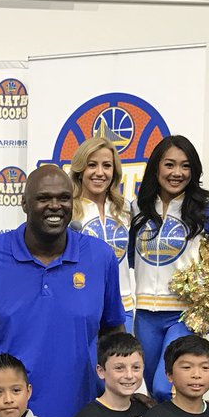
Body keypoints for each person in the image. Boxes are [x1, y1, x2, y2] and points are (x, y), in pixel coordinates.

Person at [0, 164, 125, 417]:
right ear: (24, 203)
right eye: (44, 198)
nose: (55, 206)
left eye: (63, 198)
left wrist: (126, 392)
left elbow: (114, 335)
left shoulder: (100, 257)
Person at [130, 135, 209, 401]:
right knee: (149, 389)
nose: (177, 173)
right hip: (145, 313)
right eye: (169, 165)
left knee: (165, 386)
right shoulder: (137, 208)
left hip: (183, 314)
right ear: (156, 167)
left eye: (185, 166)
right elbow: (125, 256)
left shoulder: (202, 210)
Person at [70, 135, 135, 320]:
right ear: (80, 170)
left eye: (107, 165)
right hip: (82, 306)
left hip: (123, 307)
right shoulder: (68, 209)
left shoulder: (126, 208)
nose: (100, 172)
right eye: (92, 165)